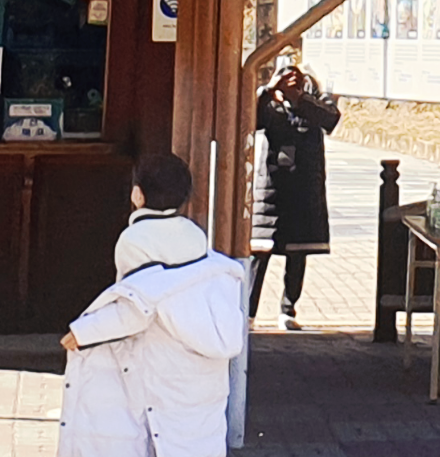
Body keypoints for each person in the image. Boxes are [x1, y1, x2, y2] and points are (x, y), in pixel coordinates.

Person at [58, 151, 248, 457]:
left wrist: (84, 332)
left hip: (165, 360)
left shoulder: (135, 240)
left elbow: (137, 307)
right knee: (195, 440)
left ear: (137, 194)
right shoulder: (195, 235)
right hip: (204, 364)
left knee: (155, 438)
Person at [249, 63, 340, 327]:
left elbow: (330, 118)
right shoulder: (268, 103)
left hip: (304, 188)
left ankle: (288, 311)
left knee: (298, 252)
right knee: (259, 252)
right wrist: (269, 91)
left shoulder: (315, 101)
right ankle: (248, 313)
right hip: (271, 189)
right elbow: (249, 119)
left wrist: (300, 99)